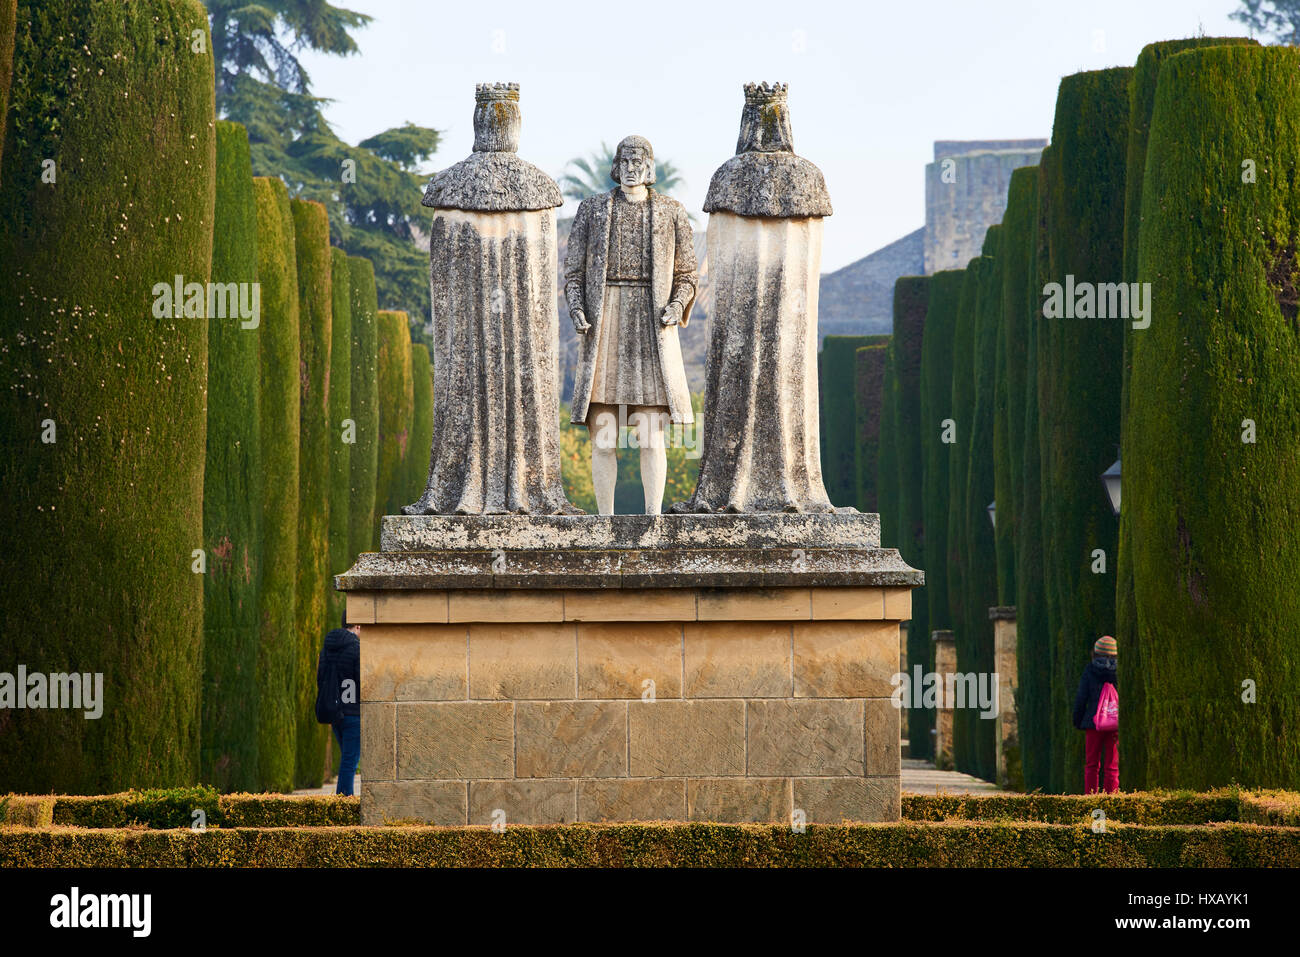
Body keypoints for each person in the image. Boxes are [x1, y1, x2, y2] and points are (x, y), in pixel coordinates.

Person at [565, 134, 698, 515]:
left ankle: (653, 519)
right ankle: (604, 519)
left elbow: (687, 274)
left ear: (650, 168)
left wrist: (677, 304)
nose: (630, 169)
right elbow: (573, 272)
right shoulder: (592, 210)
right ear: (615, 166)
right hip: (604, 324)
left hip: (652, 327)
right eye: (624, 162)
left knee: (651, 434)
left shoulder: (672, 211)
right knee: (604, 433)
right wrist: (577, 308)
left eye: (637, 163)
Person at [318, 613, 361, 795]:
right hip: (353, 711)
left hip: (334, 710)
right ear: (358, 626)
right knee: (349, 762)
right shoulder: (356, 648)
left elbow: (321, 678)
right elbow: (361, 680)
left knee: (347, 759)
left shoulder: (327, 648)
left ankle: (342, 802)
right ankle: (344, 803)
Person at [1072, 634, 1119, 794]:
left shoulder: (1090, 669)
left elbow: (1081, 697)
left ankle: (1090, 799)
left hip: (1093, 723)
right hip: (1114, 723)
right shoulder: (1120, 671)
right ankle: (1112, 799)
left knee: (1092, 764)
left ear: (1095, 653)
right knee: (1112, 766)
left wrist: (1078, 720)